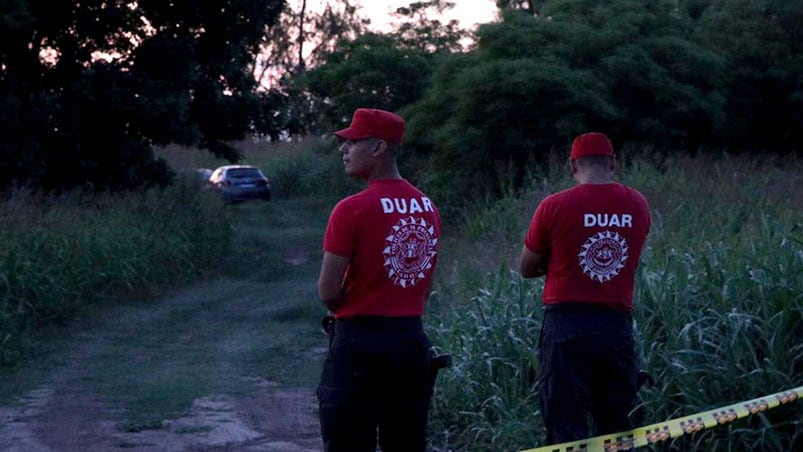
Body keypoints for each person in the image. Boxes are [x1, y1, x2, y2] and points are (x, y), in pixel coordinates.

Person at [316, 108, 442, 452]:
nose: (344, 149)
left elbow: (328, 291)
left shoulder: (352, 208)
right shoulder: (428, 207)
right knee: (405, 442)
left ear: (378, 148)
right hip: (410, 341)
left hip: (359, 344)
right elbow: (424, 287)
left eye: (352, 142)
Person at [518, 132, 651, 444]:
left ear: (572, 166)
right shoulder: (637, 204)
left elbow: (525, 268)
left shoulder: (553, 206)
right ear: (613, 163)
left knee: (565, 425)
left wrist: (557, 265)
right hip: (616, 326)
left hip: (566, 326)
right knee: (617, 426)